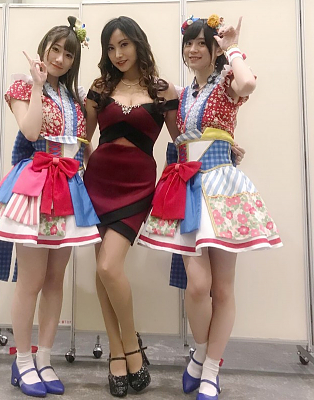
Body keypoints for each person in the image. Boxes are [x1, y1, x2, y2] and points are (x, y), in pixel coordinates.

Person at [138, 15, 282, 400]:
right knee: (198, 286)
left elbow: (248, 83)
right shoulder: (183, 94)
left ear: (214, 49)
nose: (193, 49)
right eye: (188, 43)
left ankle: (211, 369)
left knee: (223, 287)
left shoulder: (227, 82)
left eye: (201, 42)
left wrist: (233, 46)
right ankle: (200, 353)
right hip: (188, 187)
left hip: (222, 186)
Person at [0, 17, 100, 398]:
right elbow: (31, 132)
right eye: (55, 50)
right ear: (44, 48)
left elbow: (81, 146)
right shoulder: (22, 85)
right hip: (36, 183)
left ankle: (45, 358)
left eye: (68, 54)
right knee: (30, 280)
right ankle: (23, 360)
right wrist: (35, 83)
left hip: (68, 185)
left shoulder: (75, 98)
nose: (60, 58)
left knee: (54, 280)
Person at [82, 16, 180, 397]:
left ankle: (131, 346)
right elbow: (82, 139)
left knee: (109, 266)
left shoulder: (162, 91)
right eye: (110, 47)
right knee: (103, 271)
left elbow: (183, 140)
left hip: (137, 187)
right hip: (97, 184)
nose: (118, 54)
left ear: (138, 43)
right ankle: (118, 352)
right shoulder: (100, 88)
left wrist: (223, 143)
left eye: (124, 44)